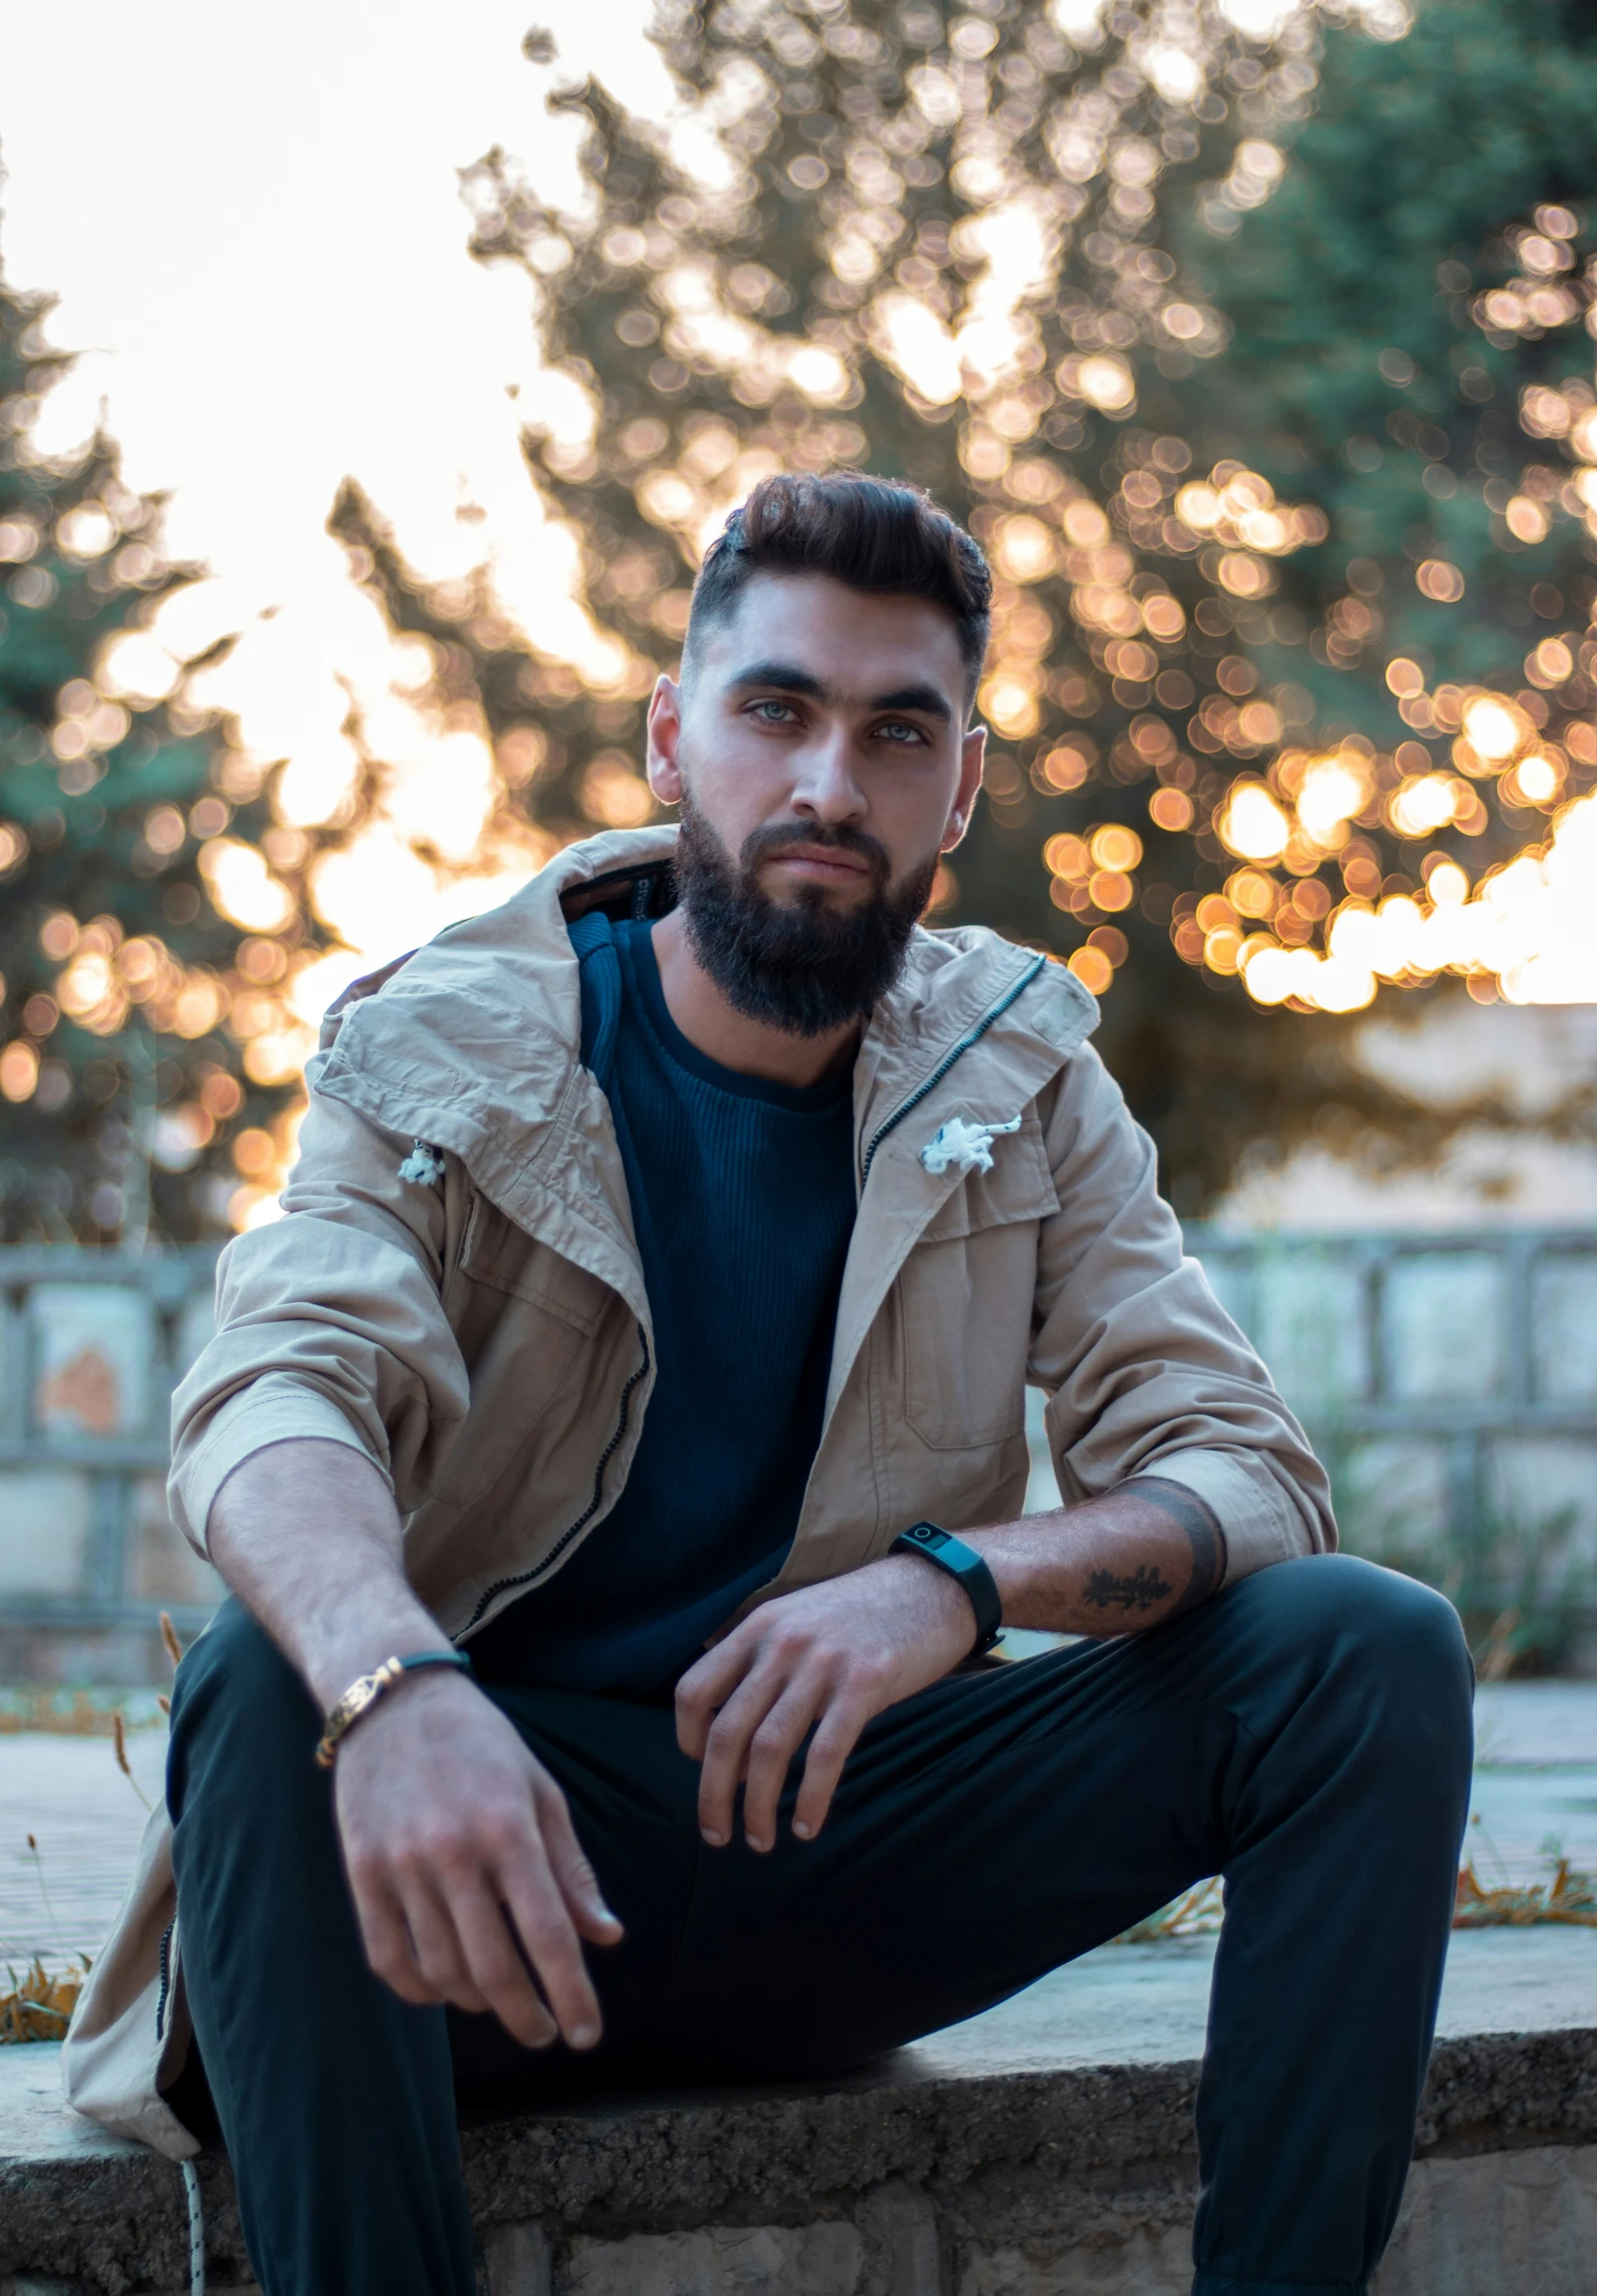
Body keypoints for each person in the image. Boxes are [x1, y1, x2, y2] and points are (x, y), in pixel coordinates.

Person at [64, 472, 1472, 2296]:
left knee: (1365, 1651)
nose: (830, 786)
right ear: (673, 739)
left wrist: (954, 1587)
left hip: (841, 1851)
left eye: (899, 733)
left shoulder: (1017, 1069)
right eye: (777, 711)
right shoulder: (446, 1044)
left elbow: (1245, 1468)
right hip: (484, 1886)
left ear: (960, 788)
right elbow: (276, 1391)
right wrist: (394, 1683)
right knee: (270, 1690)